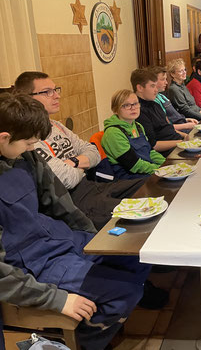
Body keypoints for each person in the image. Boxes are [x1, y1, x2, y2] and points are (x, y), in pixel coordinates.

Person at [0, 93, 155, 350]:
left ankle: (109, 316)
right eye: (28, 143)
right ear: (4, 138)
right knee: (126, 293)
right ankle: (81, 343)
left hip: (59, 239)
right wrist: (57, 300)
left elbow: (59, 201)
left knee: (137, 253)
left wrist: (95, 238)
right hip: (32, 264)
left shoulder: (25, 156)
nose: (31, 150)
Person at [14, 71, 144, 230]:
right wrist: (82, 165)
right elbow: (64, 179)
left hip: (91, 185)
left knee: (148, 185)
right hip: (74, 200)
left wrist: (73, 162)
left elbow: (92, 151)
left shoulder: (56, 125)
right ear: (27, 98)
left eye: (56, 90)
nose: (56, 96)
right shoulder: (29, 139)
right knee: (141, 211)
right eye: (48, 92)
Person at [100, 89, 165, 179]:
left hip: (145, 170)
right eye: (126, 105)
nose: (133, 108)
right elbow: (133, 165)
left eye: (135, 103)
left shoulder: (138, 126)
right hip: (128, 177)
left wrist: (166, 163)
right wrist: (159, 170)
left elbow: (150, 152)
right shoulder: (113, 133)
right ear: (115, 110)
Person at [132, 68, 185, 158]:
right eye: (152, 86)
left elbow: (169, 128)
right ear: (140, 88)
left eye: (156, 86)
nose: (156, 90)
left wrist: (187, 136)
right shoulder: (139, 112)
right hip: (168, 153)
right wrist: (182, 143)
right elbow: (154, 145)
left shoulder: (155, 104)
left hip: (177, 143)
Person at [152, 65, 198, 132]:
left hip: (182, 123)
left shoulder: (162, 96)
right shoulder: (155, 101)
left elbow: (175, 116)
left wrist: (186, 119)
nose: (166, 82)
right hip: (179, 129)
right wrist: (186, 125)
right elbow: (166, 126)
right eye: (162, 79)